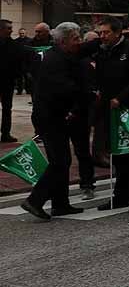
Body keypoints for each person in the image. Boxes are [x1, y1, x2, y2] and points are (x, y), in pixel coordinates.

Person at [20, 23, 91, 220]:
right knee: (60, 161)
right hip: (49, 117)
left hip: (56, 115)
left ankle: (60, 204)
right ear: (63, 41)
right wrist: (88, 95)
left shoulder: (62, 54)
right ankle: (35, 200)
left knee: (62, 160)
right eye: (76, 38)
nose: (79, 42)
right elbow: (64, 88)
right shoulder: (55, 60)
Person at [91, 16, 129, 213]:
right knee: (118, 155)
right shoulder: (102, 53)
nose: (103, 36)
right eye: (100, 33)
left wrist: (121, 98)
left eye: (106, 32)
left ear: (117, 32)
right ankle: (120, 195)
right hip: (110, 111)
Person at [0, 19, 31, 142]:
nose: (11, 30)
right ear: (1, 29)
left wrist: (19, 75)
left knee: (7, 109)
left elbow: (20, 62)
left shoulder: (14, 45)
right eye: (8, 28)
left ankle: (5, 133)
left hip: (8, 81)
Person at [14, 27, 30, 95]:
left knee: (27, 77)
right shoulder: (16, 41)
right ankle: (19, 90)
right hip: (19, 62)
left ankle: (28, 90)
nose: (22, 34)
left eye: (23, 33)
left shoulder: (30, 41)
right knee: (19, 77)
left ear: (25, 33)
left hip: (27, 61)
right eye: (20, 33)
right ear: (19, 33)